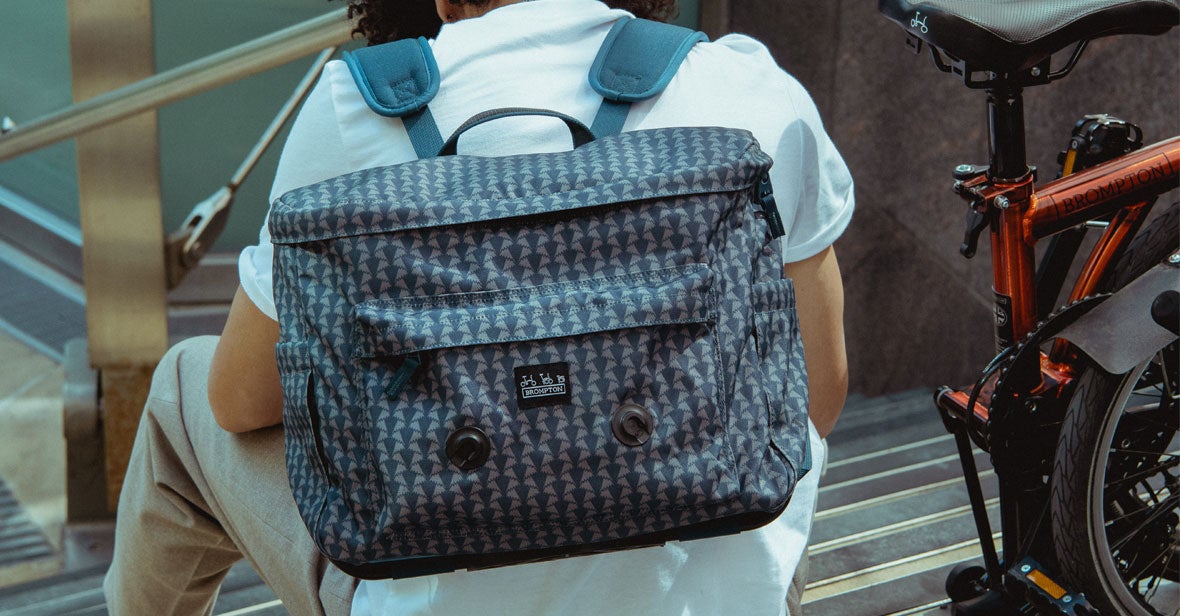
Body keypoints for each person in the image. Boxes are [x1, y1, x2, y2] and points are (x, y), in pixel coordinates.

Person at [103, 0, 853, 614]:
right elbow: (816, 396)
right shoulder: (750, 91)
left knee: (181, 390)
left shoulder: (353, 113)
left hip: (432, 589)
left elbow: (239, 402)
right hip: (728, 595)